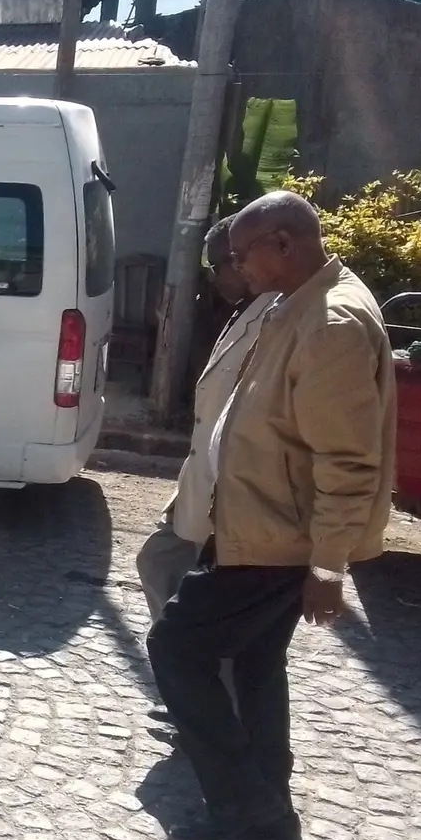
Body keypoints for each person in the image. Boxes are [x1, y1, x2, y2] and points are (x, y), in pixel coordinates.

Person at [147, 192, 396, 840]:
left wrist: (327, 566)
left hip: (278, 539)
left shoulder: (332, 324)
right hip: (253, 524)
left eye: (242, 255)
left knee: (175, 649)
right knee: (256, 666)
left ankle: (242, 804)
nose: (237, 269)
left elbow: (348, 461)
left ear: (283, 243)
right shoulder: (296, 301)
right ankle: (271, 816)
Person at [135, 216, 277, 621]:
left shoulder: (275, 317)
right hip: (205, 484)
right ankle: (179, 656)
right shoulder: (242, 310)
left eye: (216, 266)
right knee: (158, 562)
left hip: (235, 498)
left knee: (187, 587)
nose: (213, 278)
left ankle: (185, 661)